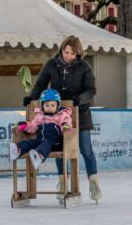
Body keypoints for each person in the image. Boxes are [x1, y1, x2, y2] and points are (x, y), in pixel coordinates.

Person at [24, 35, 101, 202]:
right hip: (57, 116)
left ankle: (93, 182)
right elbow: (41, 84)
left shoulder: (84, 67)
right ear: (61, 50)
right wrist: (31, 98)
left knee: (86, 149)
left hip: (80, 114)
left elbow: (91, 90)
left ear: (78, 54)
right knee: (61, 149)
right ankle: (62, 182)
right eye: (66, 52)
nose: (69, 56)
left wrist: (81, 99)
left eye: (73, 54)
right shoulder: (52, 64)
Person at [9, 89, 72, 170]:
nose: (49, 108)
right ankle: (18, 149)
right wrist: (25, 125)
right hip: (41, 140)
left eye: (52, 105)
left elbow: (66, 120)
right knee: (31, 142)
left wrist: (65, 125)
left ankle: (39, 156)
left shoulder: (61, 114)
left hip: (55, 142)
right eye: (47, 105)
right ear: (42, 106)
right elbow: (33, 126)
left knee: (46, 142)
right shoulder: (39, 116)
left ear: (58, 105)